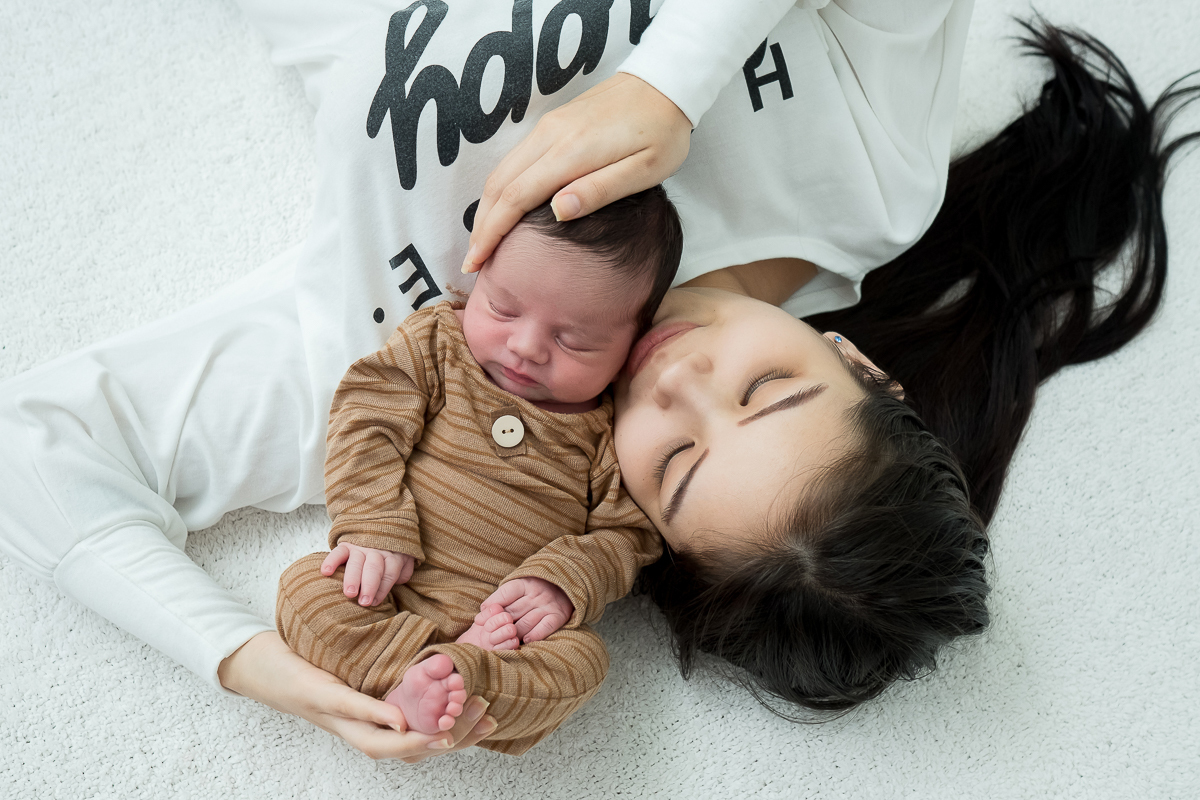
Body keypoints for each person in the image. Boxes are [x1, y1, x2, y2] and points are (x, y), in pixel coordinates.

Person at [3, 0, 1189, 761]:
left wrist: (252, 663)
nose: (676, 382)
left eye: (674, 461)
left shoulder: (409, 365)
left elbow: (40, 446)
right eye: (766, 388)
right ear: (852, 358)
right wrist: (667, 85)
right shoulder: (870, 183)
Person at [275, 188, 679, 754]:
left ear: (634, 343)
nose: (525, 347)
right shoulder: (438, 344)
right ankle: (418, 677)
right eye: (503, 309)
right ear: (478, 269)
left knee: (583, 663)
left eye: (574, 340)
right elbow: (367, 414)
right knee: (303, 591)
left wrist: (563, 583)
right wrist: (372, 522)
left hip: (508, 637)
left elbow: (628, 535)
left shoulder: (612, 432)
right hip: (387, 588)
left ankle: (464, 675)